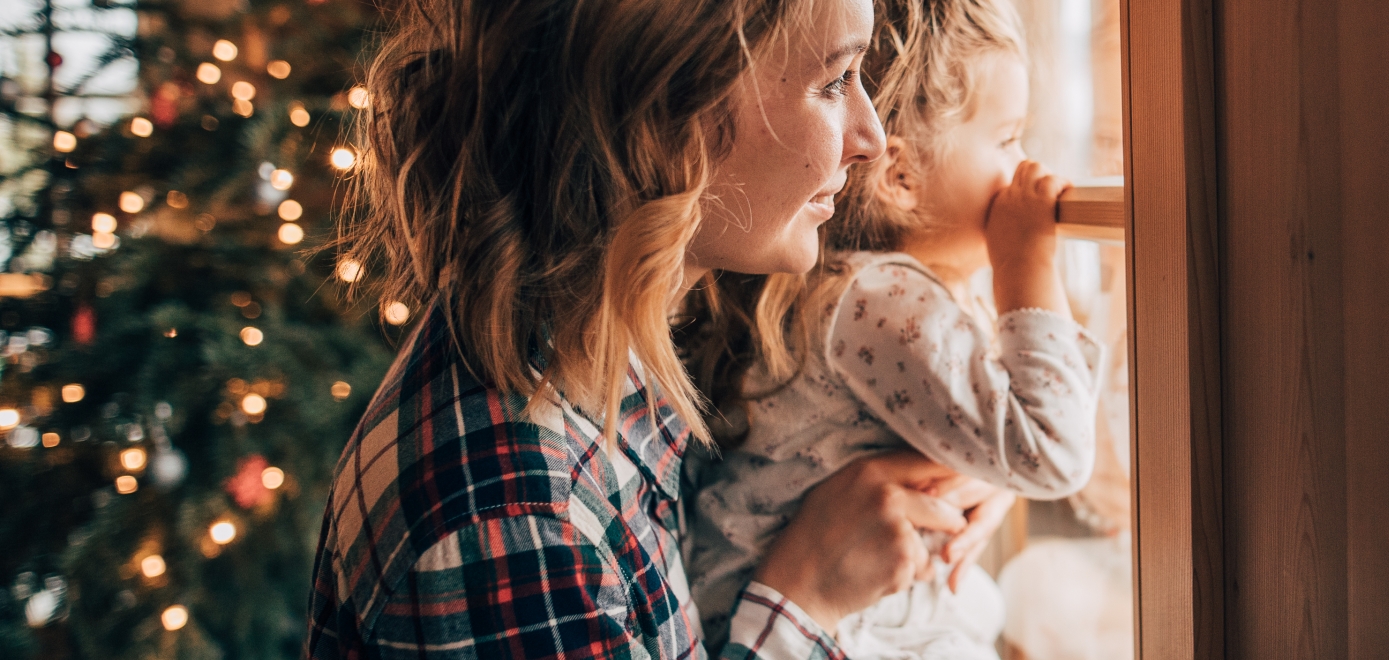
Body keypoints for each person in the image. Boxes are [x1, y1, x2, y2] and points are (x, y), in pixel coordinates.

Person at [301, 0, 990, 656]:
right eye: (835, 80)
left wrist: (957, 454)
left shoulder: (605, 347)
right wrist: (803, 601)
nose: (869, 139)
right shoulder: (516, 525)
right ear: (662, 115)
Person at [680, 0, 1100, 655]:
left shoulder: (850, 291)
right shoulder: (879, 298)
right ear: (901, 176)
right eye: (1007, 138)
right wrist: (1026, 265)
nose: (1024, 166)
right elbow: (1053, 450)